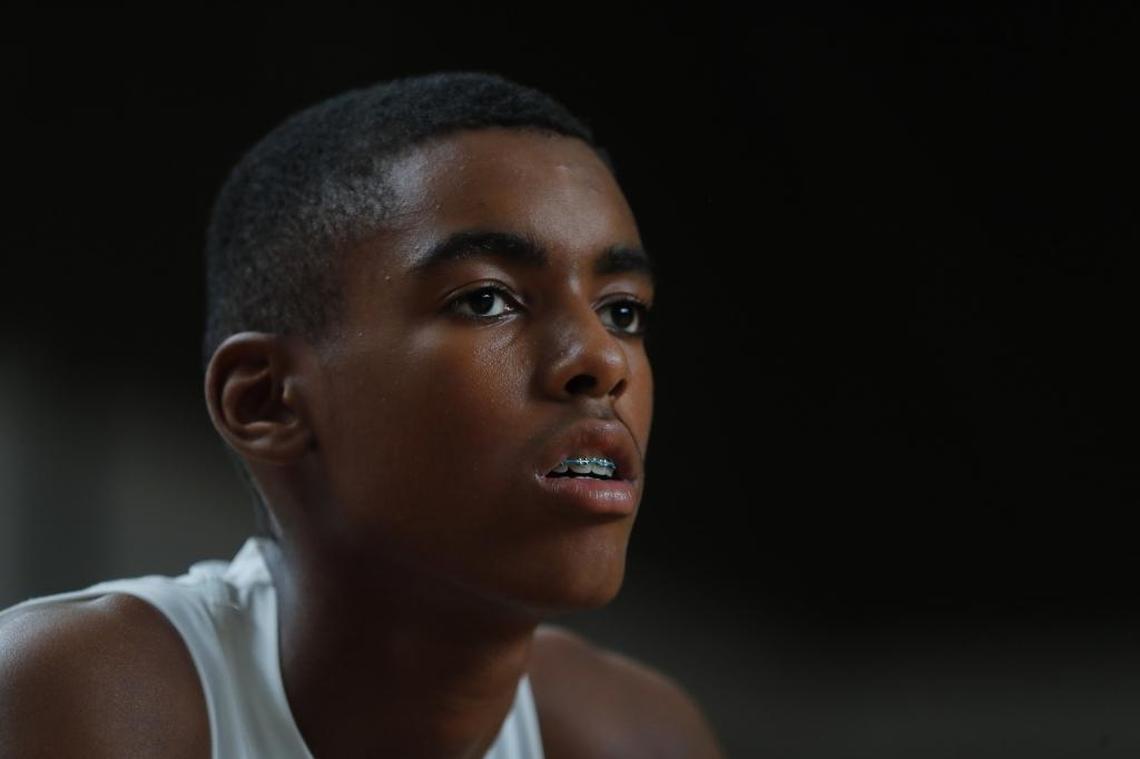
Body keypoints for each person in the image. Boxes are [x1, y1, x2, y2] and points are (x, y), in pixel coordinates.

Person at [0, 71, 725, 758]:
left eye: (622, 311)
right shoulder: (74, 701)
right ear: (266, 399)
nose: (602, 358)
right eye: (486, 299)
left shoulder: (634, 737)